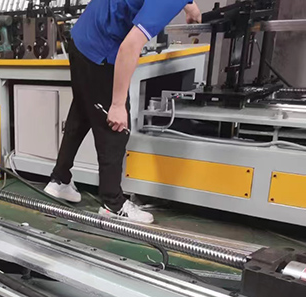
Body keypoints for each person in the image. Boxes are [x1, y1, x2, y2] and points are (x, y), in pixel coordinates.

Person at [44, 0, 202, 224]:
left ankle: (60, 179)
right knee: (115, 128)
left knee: (83, 110)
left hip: (81, 38)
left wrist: (190, 6)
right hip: (100, 48)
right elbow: (130, 46)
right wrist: (117, 105)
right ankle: (113, 204)